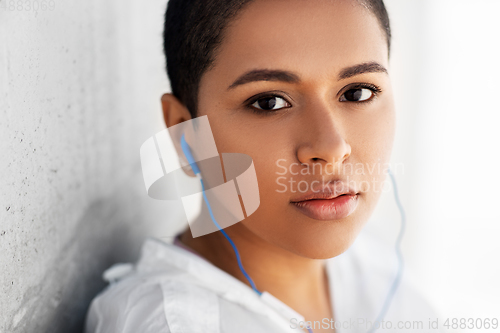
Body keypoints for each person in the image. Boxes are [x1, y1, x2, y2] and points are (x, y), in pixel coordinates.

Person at [85, 0, 442, 332]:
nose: (331, 148)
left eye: (358, 92)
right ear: (186, 135)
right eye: (269, 102)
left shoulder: (375, 267)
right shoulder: (171, 323)